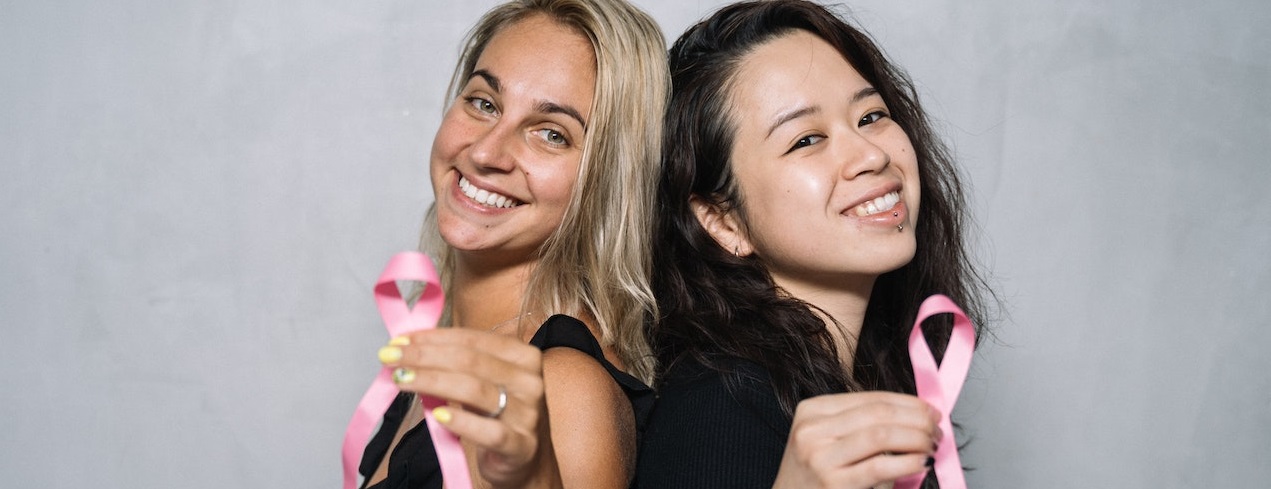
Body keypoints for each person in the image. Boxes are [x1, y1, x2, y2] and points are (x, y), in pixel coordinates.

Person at [635, 1, 994, 488]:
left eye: (871, 116)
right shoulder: (719, 411)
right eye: (806, 140)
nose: (870, 155)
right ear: (723, 221)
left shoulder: (865, 378)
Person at [359, 1, 668, 488]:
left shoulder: (565, 386)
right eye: (484, 103)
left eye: (551, 134)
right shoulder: (441, 347)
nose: (485, 152)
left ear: (607, 181)